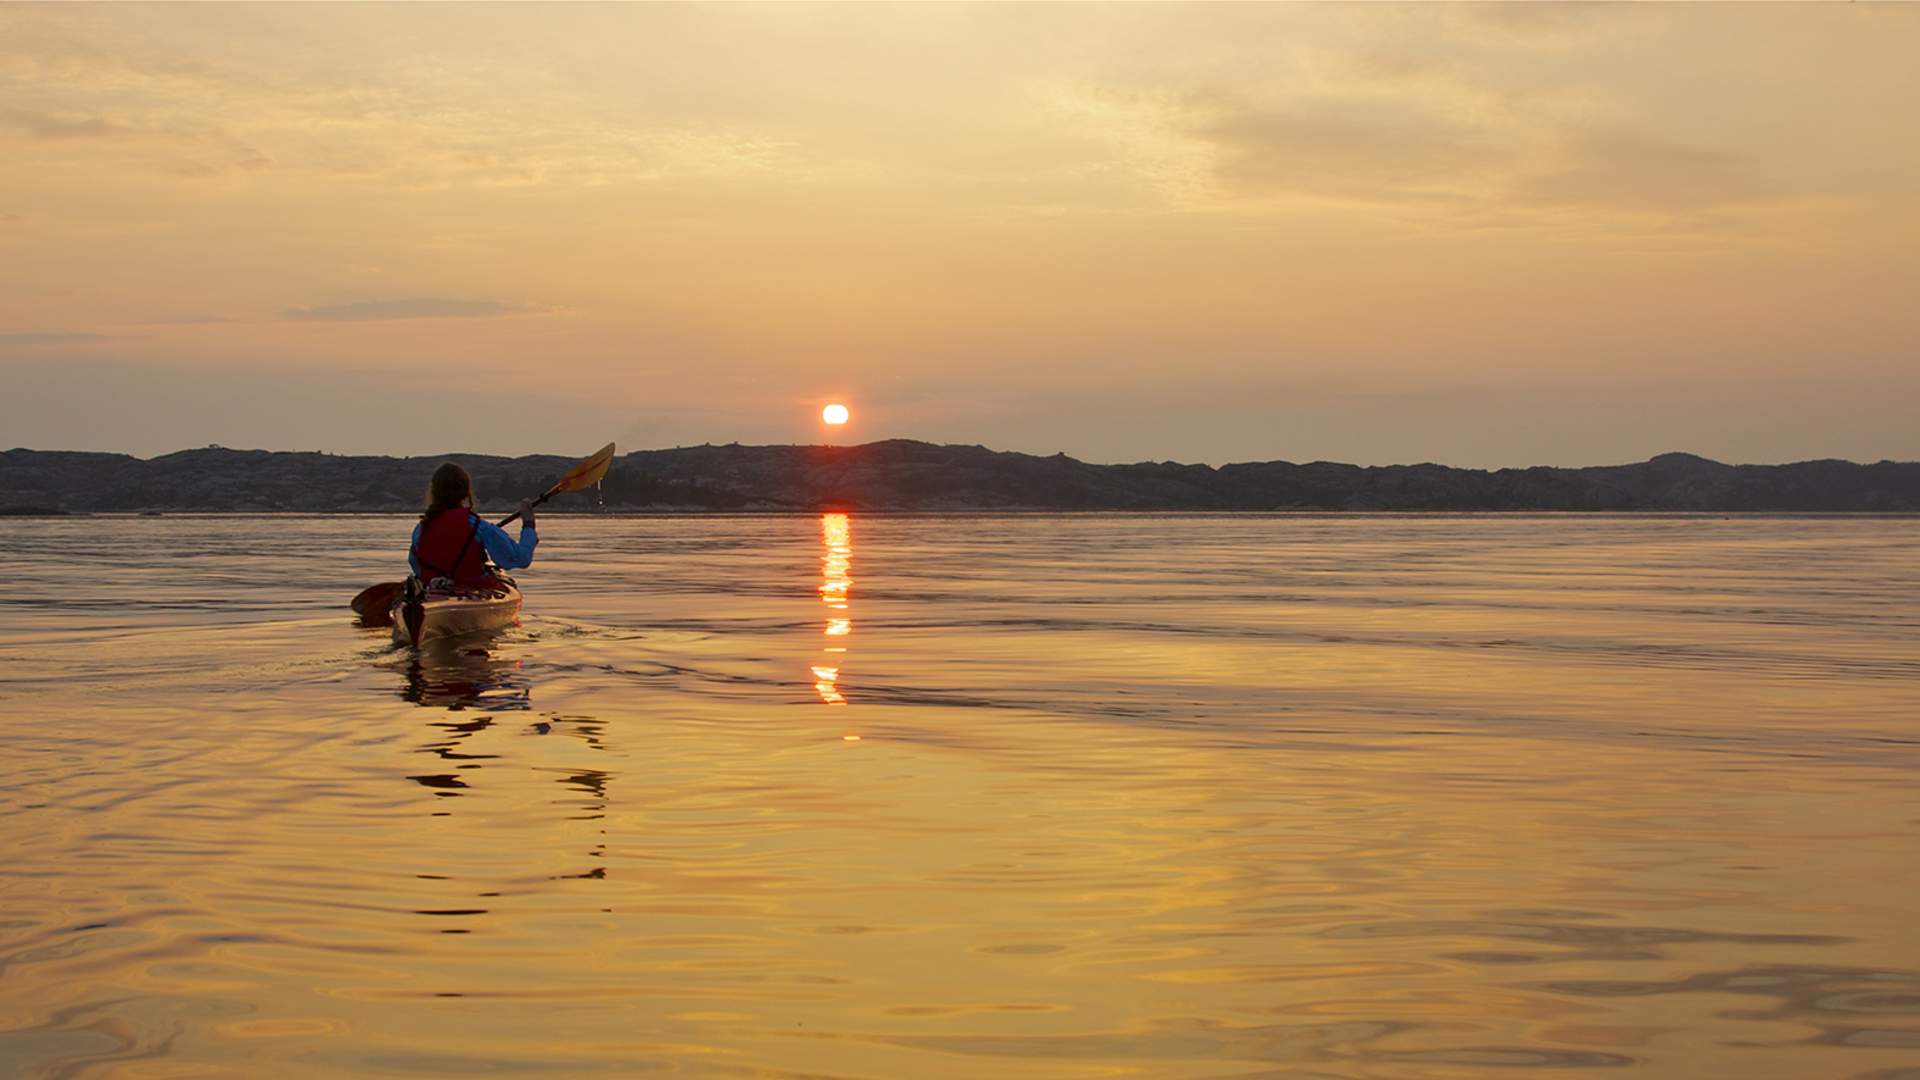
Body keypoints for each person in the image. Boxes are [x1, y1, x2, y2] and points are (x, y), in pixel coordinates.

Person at [409, 463, 537, 589]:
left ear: (433, 492)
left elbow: (415, 565)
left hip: (434, 591)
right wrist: (528, 524)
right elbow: (521, 558)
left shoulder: (420, 529)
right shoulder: (478, 526)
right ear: (465, 493)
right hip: (473, 588)